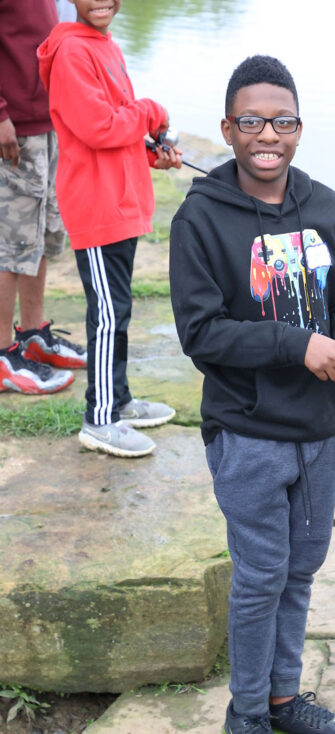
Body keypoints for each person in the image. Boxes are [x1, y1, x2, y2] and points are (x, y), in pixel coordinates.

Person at [169, 54, 335, 734]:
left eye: (282, 121)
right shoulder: (201, 219)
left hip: (319, 432)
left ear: (299, 128)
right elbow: (202, 333)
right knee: (261, 574)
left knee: (302, 566)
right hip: (248, 431)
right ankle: (247, 713)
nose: (268, 134)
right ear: (227, 128)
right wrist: (299, 346)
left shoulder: (327, 208)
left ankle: (284, 698)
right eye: (252, 121)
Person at [37, 0, 182, 457]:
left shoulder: (105, 45)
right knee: (107, 314)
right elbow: (99, 127)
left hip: (120, 201)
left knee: (117, 310)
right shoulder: (71, 52)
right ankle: (99, 419)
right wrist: (151, 110)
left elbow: (116, 128)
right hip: (96, 207)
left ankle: (118, 400)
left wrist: (151, 153)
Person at [0, 0, 86, 396]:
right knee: (10, 244)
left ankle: (32, 336)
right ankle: (3, 355)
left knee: (40, 232)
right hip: (13, 127)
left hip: (47, 119)